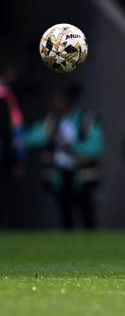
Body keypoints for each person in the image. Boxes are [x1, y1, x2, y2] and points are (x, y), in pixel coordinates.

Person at [26, 83, 103, 229]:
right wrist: (49, 136)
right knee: (65, 214)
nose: (55, 103)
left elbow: (96, 145)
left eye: (59, 99)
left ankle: (92, 244)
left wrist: (73, 147)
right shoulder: (52, 121)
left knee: (87, 212)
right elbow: (30, 138)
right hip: (60, 174)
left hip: (82, 173)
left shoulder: (85, 118)